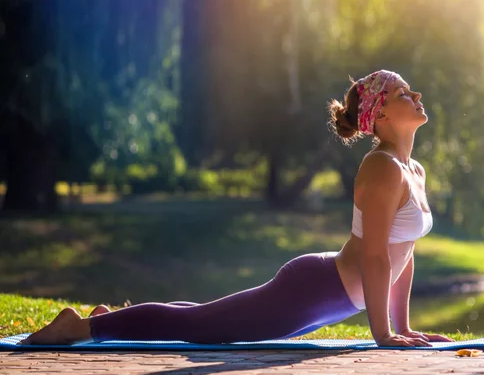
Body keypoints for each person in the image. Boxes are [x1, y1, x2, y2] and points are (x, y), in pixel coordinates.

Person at [20, 69, 454, 348]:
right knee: (201, 330)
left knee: (207, 319)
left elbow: (403, 255)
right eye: (401, 92)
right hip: (311, 291)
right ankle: (79, 328)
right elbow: (376, 258)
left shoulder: (412, 169)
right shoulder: (381, 168)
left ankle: (111, 321)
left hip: (328, 301)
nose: (415, 93)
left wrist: (404, 327)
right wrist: (383, 335)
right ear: (380, 116)